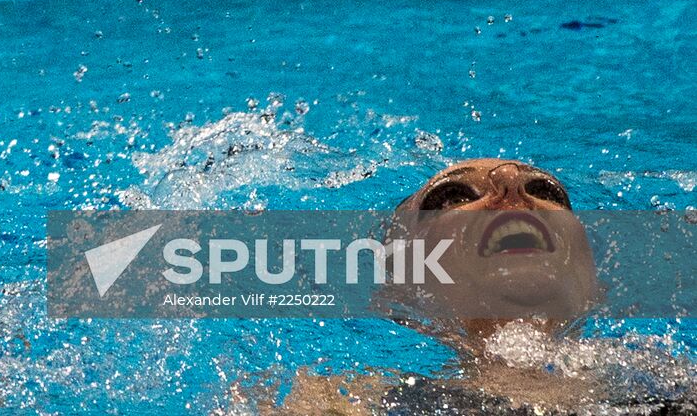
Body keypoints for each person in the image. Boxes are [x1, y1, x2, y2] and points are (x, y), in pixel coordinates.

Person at [265, 159, 695, 415]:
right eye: (452, 196)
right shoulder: (345, 403)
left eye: (545, 191)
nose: (510, 185)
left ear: (593, 285)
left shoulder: (675, 380)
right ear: (403, 294)